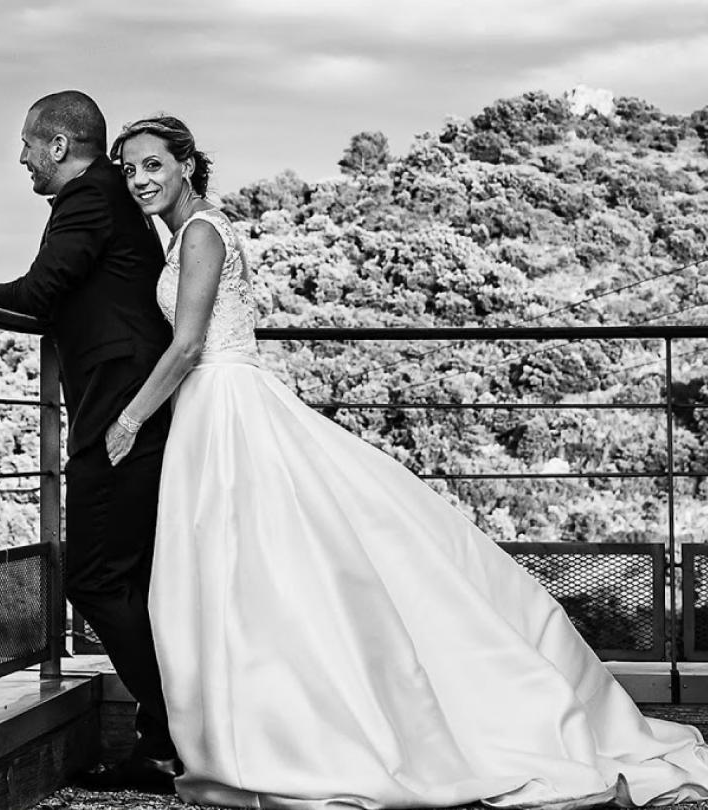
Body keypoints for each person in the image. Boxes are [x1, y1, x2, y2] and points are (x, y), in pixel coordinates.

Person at [105, 114, 708, 809]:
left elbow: (187, 346)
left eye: (153, 164)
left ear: (186, 164)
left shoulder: (202, 232)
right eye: (130, 169)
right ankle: (260, 729)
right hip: (215, 406)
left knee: (253, 564)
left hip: (224, 402)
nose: (140, 179)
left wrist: (129, 418)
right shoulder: (189, 231)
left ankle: (286, 737)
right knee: (249, 568)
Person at [0, 91, 181, 791]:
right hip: (130, 405)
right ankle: (162, 743)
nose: (23, 158)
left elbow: (41, 292)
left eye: (29, 145)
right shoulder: (109, 198)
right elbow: (60, 292)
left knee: (93, 578)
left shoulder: (89, 198)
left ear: (59, 145)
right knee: (135, 579)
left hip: (121, 414)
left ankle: (177, 729)